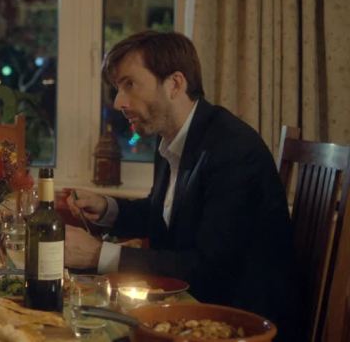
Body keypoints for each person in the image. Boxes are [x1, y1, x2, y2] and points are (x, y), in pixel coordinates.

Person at [64, 31, 303, 341]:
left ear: (175, 84)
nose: (119, 101)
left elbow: (208, 267)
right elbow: (162, 213)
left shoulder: (232, 149)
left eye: (129, 84)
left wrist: (98, 255)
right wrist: (107, 208)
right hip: (194, 309)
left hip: (242, 324)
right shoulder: (171, 138)